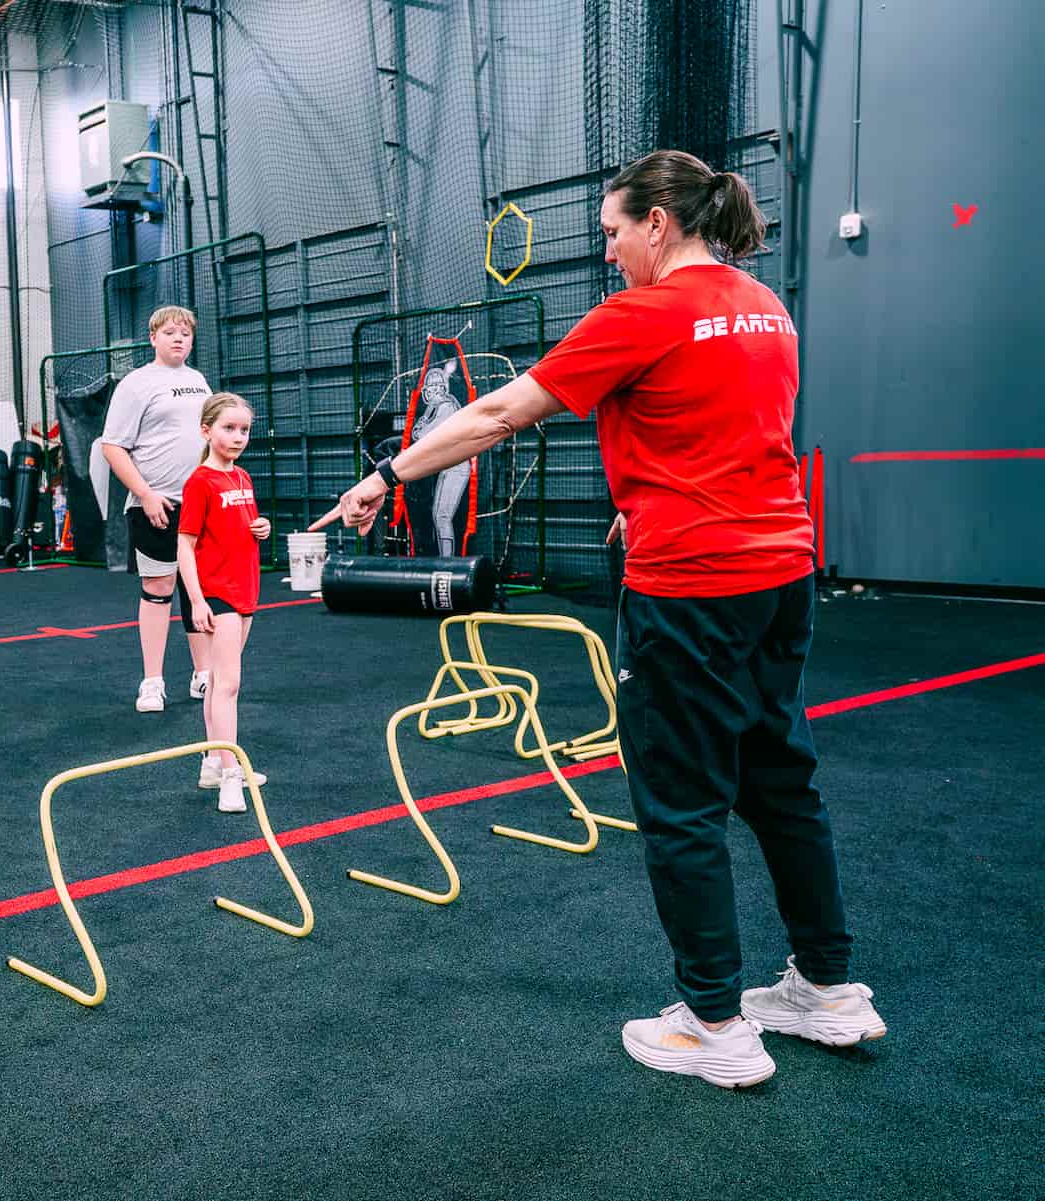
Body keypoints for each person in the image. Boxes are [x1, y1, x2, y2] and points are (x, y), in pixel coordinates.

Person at [314, 150, 883, 1088]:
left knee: (681, 798)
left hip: (692, 584)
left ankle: (713, 1023)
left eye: (614, 232)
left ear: (657, 224)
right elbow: (726, 424)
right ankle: (827, 990)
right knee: (782, 779)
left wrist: (385, 476)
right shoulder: (765, 304)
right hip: (782, 569)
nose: (610, 251)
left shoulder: (644, 313)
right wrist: (644, 490)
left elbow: (498, 412)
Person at [95, 305, 213, 712]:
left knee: (197, 590)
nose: (179, 339)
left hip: (200, 505)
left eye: (186, 333)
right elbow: (112, 446)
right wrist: (145, 493)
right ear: (153, 338)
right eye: (170, 333)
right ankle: (152, 682)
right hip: (156, 505)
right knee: (158, 589)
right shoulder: (136, 383)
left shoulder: (199, 381)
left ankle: (204, 676)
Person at [177, 394, 273, 812]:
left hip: (245, 588)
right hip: (216, 593)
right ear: (207, 431)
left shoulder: (243, 479)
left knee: (218, 680)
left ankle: (214, 764)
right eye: (228, 428)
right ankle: (232, 775)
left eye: (244, 430)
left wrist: (261, 527)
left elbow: (237, 529)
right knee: (230, 684)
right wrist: (197, 601)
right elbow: (185, 546)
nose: (237, 437)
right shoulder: (200, 481)